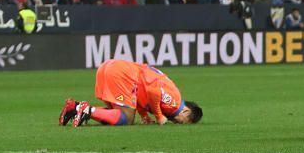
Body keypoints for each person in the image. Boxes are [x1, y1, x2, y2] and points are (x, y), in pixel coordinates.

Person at [59, 59, 203, 127]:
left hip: (109, 68)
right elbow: (153, 92)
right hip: (122, 74)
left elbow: (143, 94)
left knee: (117, 114)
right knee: (127, 119)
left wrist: (144, 115)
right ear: (186, 111)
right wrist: (159, 116)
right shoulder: (175, 102)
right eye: (186, 122)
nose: (180, 123)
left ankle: (75, 107)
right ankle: (86, 109)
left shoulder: (172, 101)